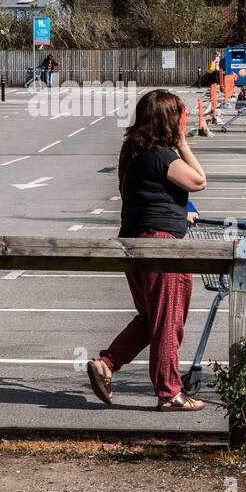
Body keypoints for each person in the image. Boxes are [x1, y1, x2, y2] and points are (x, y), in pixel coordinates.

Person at [88, 90, 208, 410]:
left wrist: (179, 213)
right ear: (168, 121)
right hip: (161, 248)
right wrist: (183, 143)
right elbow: (198, 181)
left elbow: (146, 193)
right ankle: (169, 393)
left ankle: (106, 365)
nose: (183, 122)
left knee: (150, 318)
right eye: (180, 117)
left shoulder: (132, 152)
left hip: (133, 243)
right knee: (167, 320)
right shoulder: (162, 155)